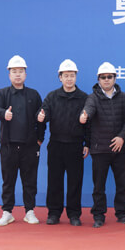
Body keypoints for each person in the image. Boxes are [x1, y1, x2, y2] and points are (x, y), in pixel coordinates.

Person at [0, 55, 45, 226]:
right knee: (8, 180)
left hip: (30, 146)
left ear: (25, 74)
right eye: (14, 71)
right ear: (9, 75)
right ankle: (7, 212)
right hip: (9, 146)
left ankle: (30, 211)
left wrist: (40, 139)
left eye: (21, 71)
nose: (17, 74)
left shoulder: (33, 94)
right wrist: (3, 114)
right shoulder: (2, 94)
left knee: (30, 181)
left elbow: (41, 118)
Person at [80, 62, 125, 228]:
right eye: (103, 77)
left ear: (114, 78)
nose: (106, 80)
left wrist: (122, 138)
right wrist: (85, 115)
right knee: (99, 186)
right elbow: (88, 110)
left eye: (109, 77)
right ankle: (98, 215)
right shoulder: (93, 98)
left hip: (120, 149)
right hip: (100, 149)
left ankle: (122, 213)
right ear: (98, 79)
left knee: (122, 184)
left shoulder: (124, 98)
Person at [38, 59, 89, 226]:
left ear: (76, 76)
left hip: (76, 145)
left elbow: (90, 124)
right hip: (56, 145)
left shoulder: (84, 98)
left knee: (75, 181)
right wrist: (41, 119)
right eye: (66, 75)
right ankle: (54, 213)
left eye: (72, 75)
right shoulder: (52, 96)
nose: (69, 79)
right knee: (54, 180)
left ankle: (74, 214)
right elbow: (43, 114)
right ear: (60, 77)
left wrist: (87, 143)